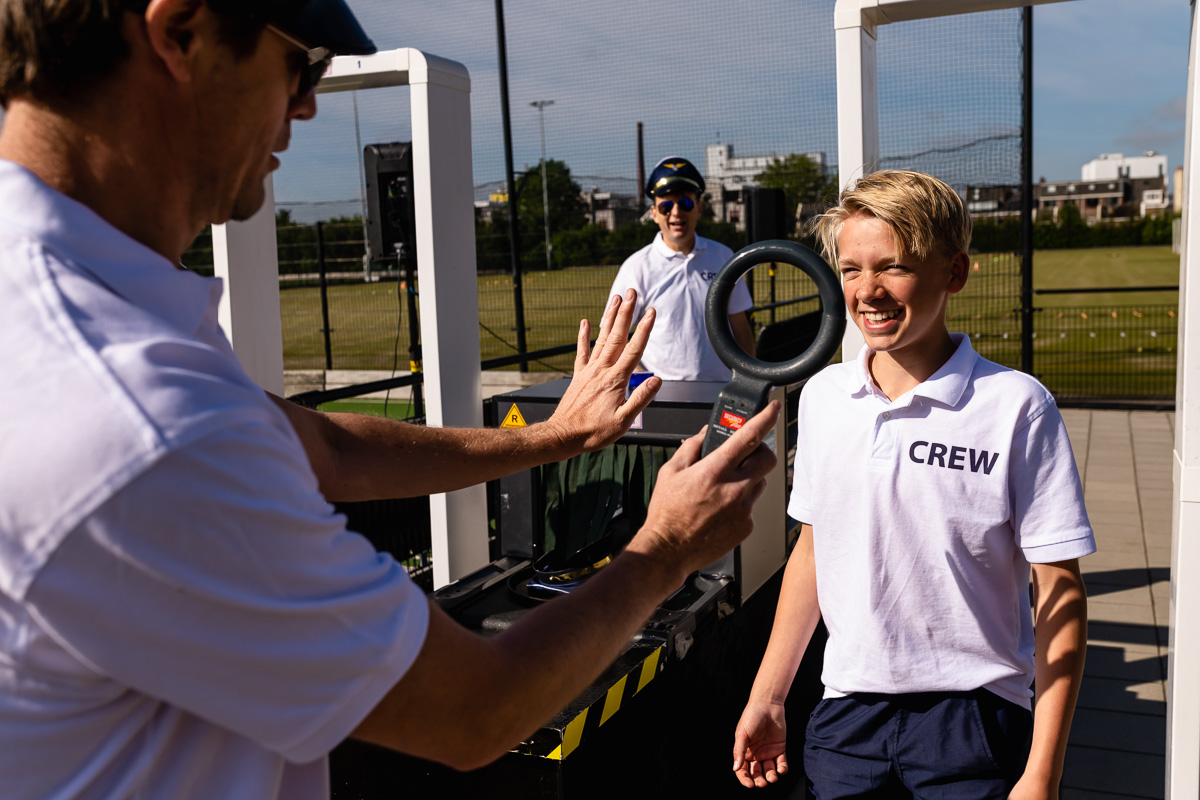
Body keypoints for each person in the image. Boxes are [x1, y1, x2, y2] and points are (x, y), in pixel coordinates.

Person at [0, 2, 781, 798]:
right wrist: (666, 549)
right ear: (179, 34)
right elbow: (477, 708)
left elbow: (330, 447)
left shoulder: (73, 308)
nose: (306, 103)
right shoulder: (142, 415)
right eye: (302, 63)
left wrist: (555, 436)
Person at [731, 170, 1094, 799]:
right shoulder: (824, 397)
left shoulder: (1016, 406)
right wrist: (770, 696)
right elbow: (813, 553)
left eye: (892, 267)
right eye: (850, 270)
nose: (867, 291)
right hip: (845, 721)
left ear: (953, 272)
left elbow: (1059, 591)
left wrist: (1044, 771)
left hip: (975, 720)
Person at [608, 156, 756, 381]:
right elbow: (613, 339)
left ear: (699, 208)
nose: (676, 212)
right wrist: (644, 383)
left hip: (721, 390)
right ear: (654, 214)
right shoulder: (636, 267)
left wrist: (748, 382)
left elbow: (741, 330)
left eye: (685, 203)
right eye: (666, 206)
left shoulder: (724, 256)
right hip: (659, 397)